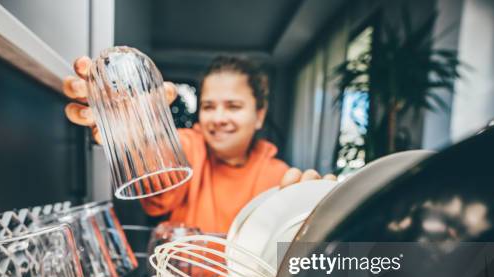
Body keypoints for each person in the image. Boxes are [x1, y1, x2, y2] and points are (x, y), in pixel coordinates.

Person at [64, 54, 333, 234]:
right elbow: (159, 176)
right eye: (208, 106)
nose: (217, 118)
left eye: (233, 106)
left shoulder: (279, 176)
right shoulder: (190, 147)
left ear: (259, 115)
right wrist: (138, 133)